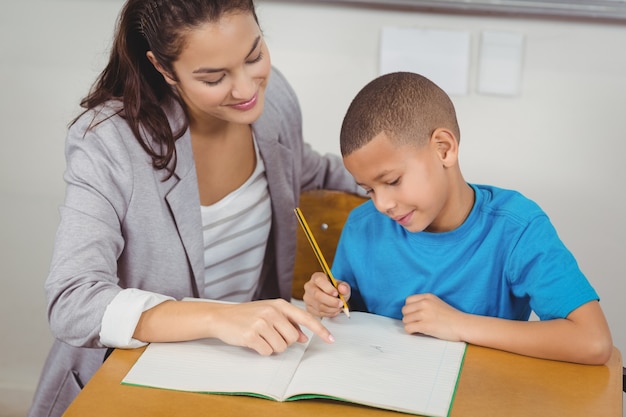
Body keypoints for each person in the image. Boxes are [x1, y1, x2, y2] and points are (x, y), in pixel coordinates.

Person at [29, 1, 362, 416]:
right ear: (163, 69)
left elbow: (306, 168)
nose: (245, 88)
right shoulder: (109, 141)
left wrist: (422, 185)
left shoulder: (271, 99)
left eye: (254, 55)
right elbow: (72, 301)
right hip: (127, 385)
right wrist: (217, 319)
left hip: (244, 375)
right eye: (214, 77)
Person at [303, 71, 613, 366]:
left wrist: (459, 325)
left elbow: (593, 341)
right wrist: (326, 302)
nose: (382, 204)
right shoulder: (362, 226)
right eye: (369, 189)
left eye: (393, 181)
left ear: (444, 149)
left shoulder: (516, 229)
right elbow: (349, 318)